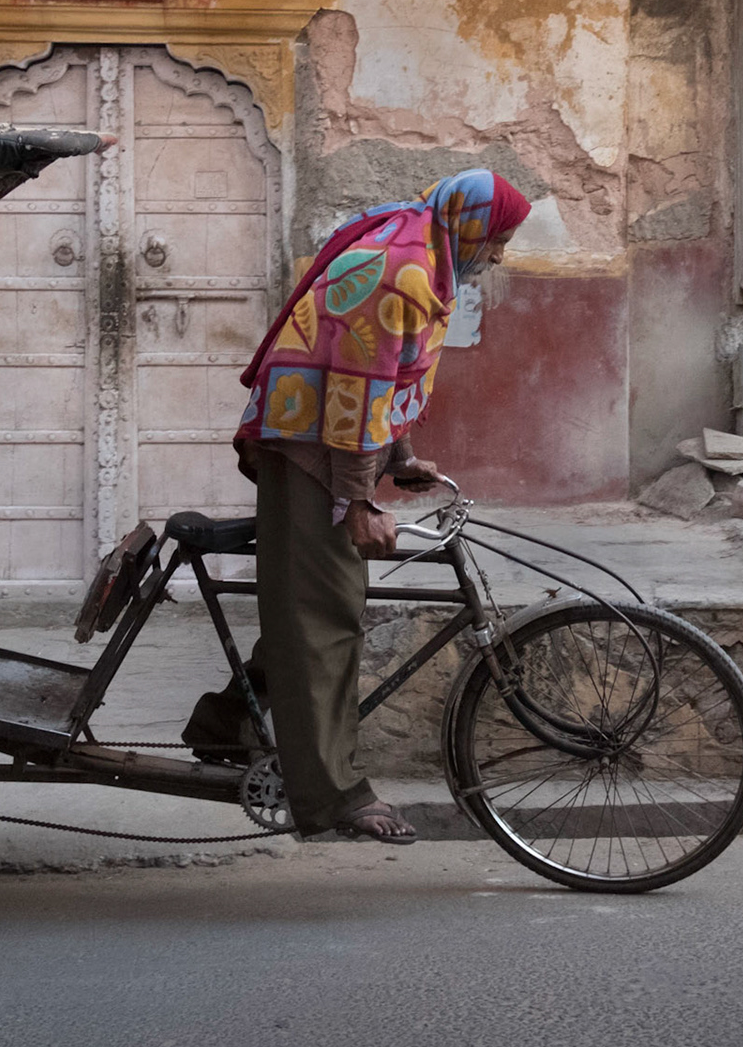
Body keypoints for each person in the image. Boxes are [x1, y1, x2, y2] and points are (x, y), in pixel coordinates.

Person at [182, 168, 532, 843]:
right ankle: (332, 795)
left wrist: (399, 458)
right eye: (497, 239)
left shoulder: (421, 249)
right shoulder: (403, 269)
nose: (497, 255)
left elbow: (384, 376)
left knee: (310, 604)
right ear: (469, 226)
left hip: (319, 433)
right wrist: (360, 500)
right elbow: (355, 390)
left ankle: (225, 723)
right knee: (325, 617)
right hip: (310, 443)